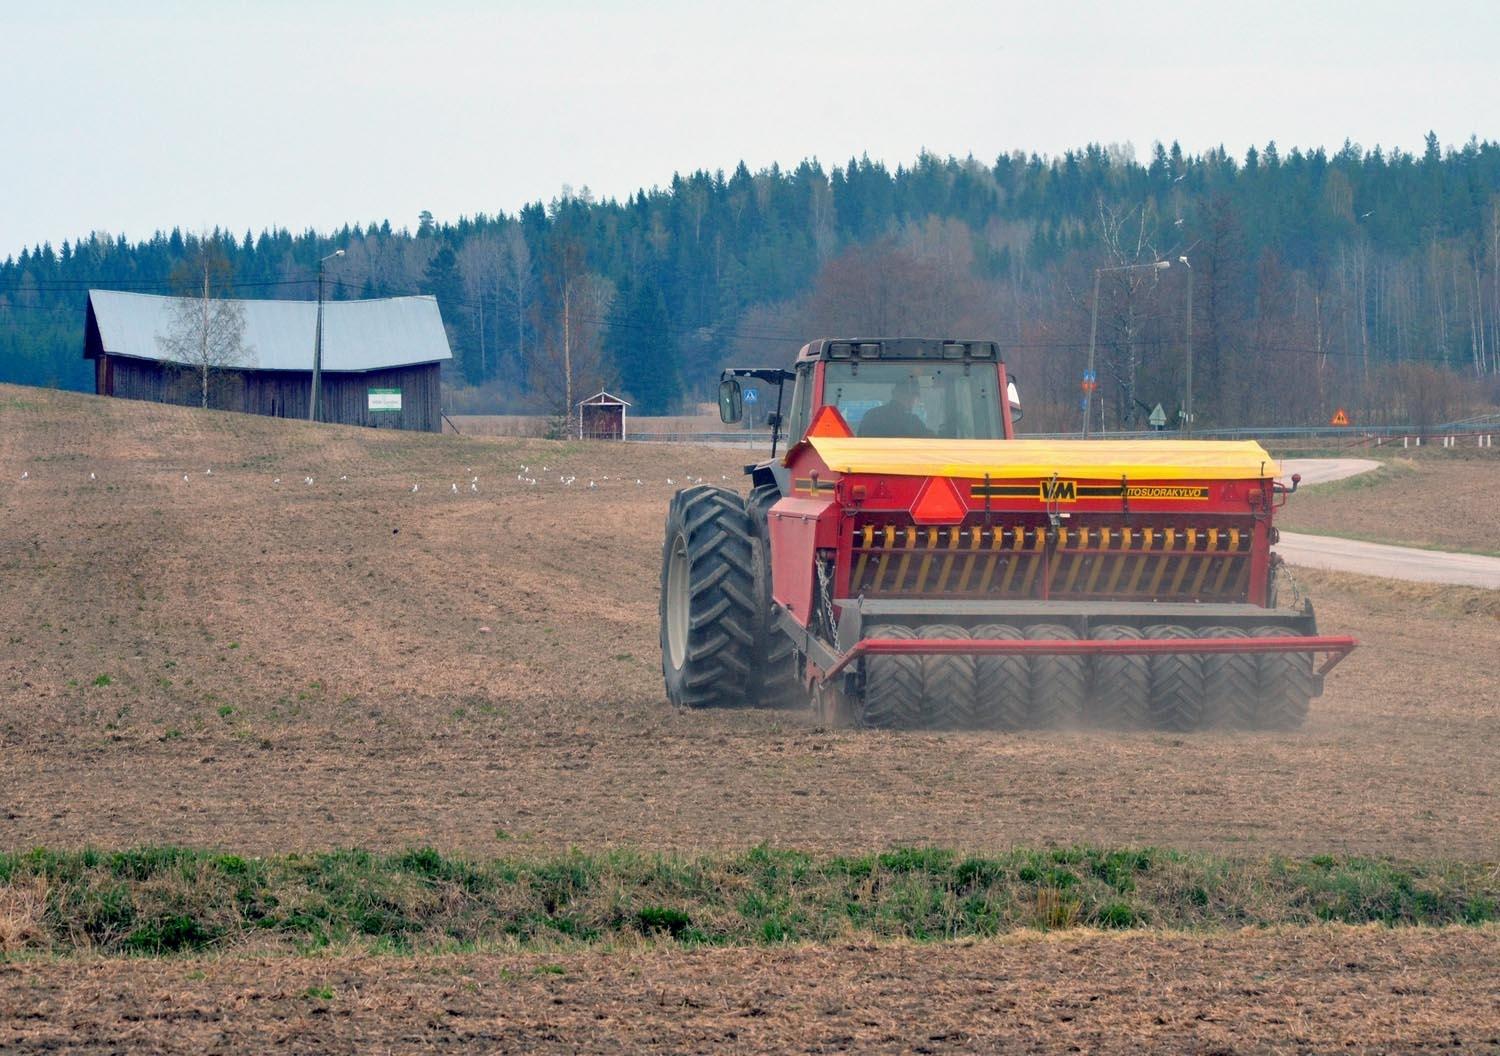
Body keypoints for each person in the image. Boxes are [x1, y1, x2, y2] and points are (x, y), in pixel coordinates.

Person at [857, 378, 933, 438]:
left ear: (893, 393)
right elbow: (930, 440)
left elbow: (860, 440)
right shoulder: (912, 421)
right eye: (914, 395)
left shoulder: (871, 415)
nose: (914, 399)